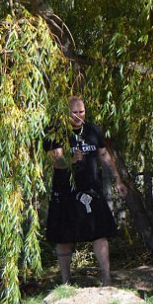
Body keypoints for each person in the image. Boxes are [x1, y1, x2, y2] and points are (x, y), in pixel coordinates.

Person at [44, 96, 125, 286]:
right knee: (63, 236)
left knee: (100, 232)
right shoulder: (55, 132)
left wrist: (118, 179)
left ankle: (106, 279)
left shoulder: (92, 130)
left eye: (82, 112)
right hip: (65, 190)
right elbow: (55, 160)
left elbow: (104, 155)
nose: (78, 116)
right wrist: (69, 160)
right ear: (66, 113)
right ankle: (66, 281)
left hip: (92, 189)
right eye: (74, 112)